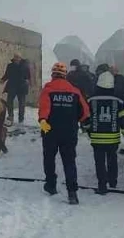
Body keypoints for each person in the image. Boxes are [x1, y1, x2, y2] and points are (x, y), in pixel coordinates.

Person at [38, 62, 89, 204]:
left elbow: (44, 110)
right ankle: (72, 193)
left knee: (49, 159)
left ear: (53, 75)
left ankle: (51, 185)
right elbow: (85, 112)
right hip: (69, 132)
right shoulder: (74, 91)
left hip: (50, 131)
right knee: (69, 161)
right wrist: (74, 121)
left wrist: (43, 123)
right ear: (65, 75)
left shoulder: (47, 89)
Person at [85, 72, 124, 194]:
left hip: (96, 138)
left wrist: (89, 131)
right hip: (113, 139)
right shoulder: (118, 101)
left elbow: (85, 118)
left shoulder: (90, 100)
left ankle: (102, 185)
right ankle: (113, 181)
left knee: (99, 161)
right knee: (112, 159)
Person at [0, 53, 31, 125]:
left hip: (21, 87)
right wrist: (2, 80)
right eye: (15, 58)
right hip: (12, 86)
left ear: (20, 58)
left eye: (18, 58)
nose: (16, 59)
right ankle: (10, 116)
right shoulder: (10, 66)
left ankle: (21, 119)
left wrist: (27, 81)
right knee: (9, 102)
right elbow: (7, 74)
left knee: (21, 104)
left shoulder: (25, 66)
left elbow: (28, 76)